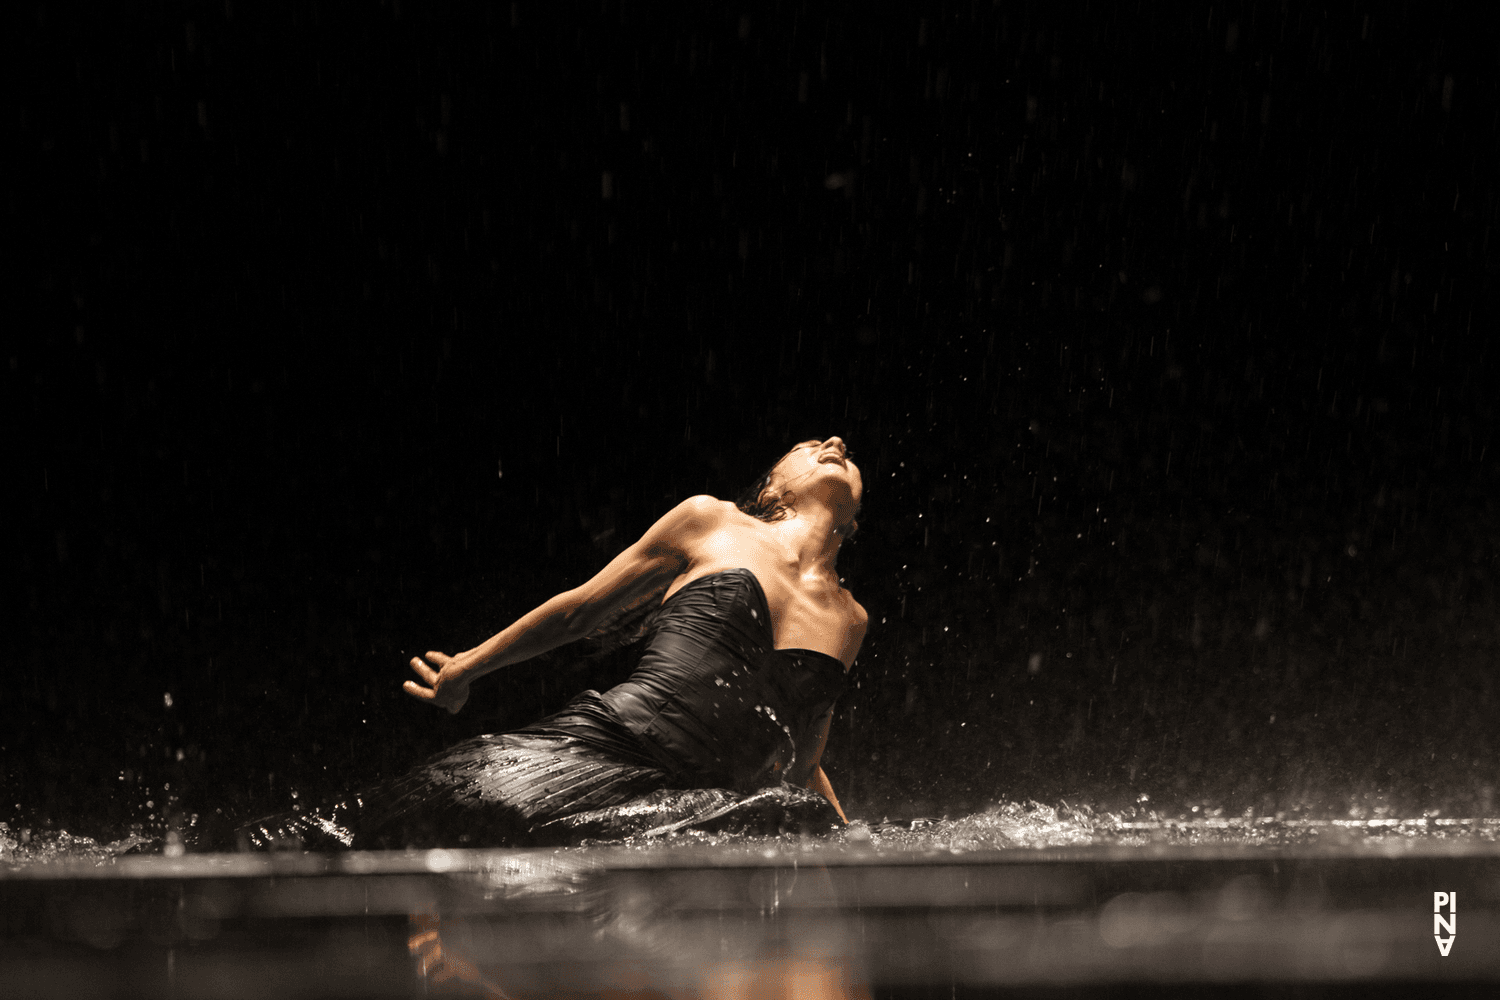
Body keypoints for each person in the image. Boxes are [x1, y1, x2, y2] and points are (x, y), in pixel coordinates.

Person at [240, 436, 868, 849]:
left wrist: (852, 843)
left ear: (855, 519)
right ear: (772, 488)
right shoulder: (711, 521)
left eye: (842, 451)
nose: (835, 444)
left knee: (789, 820)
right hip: (606, 746)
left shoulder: (851, 619)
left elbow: (804, 760)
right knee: (361, 833)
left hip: (701, 803)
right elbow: (580, 611)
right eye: (809, 446)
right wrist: (466, 668)